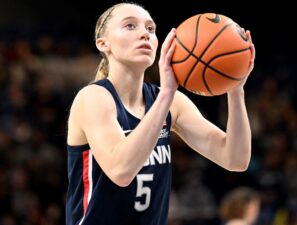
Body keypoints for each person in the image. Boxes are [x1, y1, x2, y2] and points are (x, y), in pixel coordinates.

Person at [65, 2, 255, 225]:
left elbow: (235, 159)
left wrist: (235, 90)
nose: (144, 34)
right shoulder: (94, 98)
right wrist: (166, 94)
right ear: (103, 43)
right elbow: (121, 171)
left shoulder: (171, 102)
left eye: (150, 29)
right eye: (130, 26)